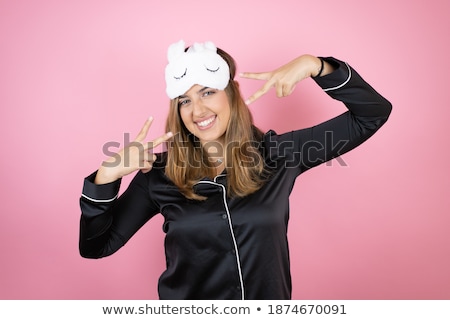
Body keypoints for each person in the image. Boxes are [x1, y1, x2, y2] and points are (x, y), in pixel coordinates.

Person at [79, 40, 392, 300]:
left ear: (230, 93)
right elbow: (96, 246)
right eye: (184, 100)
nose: (197, 110)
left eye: (207, 92)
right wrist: (106, 178)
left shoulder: (280, 154)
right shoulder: (158, 173)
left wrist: (317, 66)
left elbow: (372, 114)